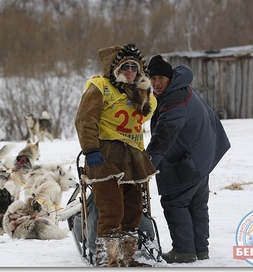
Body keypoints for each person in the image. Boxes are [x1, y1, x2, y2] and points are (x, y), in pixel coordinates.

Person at [74, 44, 158, 267]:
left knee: (133, 211)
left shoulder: (141, 93)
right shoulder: (100, 87)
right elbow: (85, 120)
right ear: (115, 68)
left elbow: (146, 113)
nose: (130, 70)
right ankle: (109, 261)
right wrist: (91, 149)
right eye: (125, 66)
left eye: (134, 66)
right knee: (111, 211)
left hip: (132, 158)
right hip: (106, 157)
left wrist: (142, 90)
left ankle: (128, 258)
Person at [145, 55, 231, 264]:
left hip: (191, 160)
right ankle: (200, 250)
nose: (156, 83)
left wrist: (145, 166)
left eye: (161, 78)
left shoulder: (174, 101)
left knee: (175, 202)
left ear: (169, 77)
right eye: (153, 78)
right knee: (196, 204)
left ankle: (184, 251)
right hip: (202, 156)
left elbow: (162, 138)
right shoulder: (180, 88)